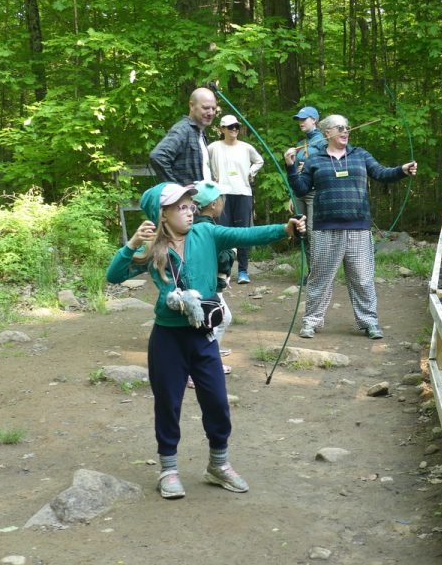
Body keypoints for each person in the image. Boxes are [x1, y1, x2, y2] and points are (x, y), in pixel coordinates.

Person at [106, 182, 304, 499]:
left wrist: (285, 228)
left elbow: (246, 235)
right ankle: (168, 470)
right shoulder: (149, 248)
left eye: (190, 205)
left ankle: (218, 465)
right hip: (168, 338)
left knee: (216, 401)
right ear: (162, 214)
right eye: (181, 207)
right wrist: (131, 244)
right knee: (168, 403)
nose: (190, 210)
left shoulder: (206, 234)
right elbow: (114, 276)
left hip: (204, 336)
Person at [284, 114, 417, 340]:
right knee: (320, 277)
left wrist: (402, 169)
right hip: (325, 228)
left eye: (347, 128)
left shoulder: (360, 155)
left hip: (359, 228)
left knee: (363, 278)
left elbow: (381, 173)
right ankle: (311, 321)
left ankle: (369, 322)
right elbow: (301, 189)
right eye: (340, 128)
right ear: (327, 133)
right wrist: (290, 167)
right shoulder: (316, 160)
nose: (345, 131)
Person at [207, 115, 264, 284]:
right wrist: (211, 179)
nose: (234, 130)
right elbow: (204, 163)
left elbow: (259, 160)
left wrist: (251, 172)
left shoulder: (246, 148)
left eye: (236, 127)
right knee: (222, 232)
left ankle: (243, 271)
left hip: (243, 193)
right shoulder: (214, 147)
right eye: (230, 127)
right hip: (221, 194)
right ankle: (223, 271)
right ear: (222, 129)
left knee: (243, 232)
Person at [190, 180, 235, 384]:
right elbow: (220, 259)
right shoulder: (206, 229)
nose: (223, 203)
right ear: (213, 204)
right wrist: (230, 251)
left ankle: (210, 361)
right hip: (204, 288)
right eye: (221, 199)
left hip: (205, 287)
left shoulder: (199, 225)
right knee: (214, 321)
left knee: (222, 318)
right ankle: (196, 368)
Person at [285, 106, 325, 283]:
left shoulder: (323, 142)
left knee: (313, 232)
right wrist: (291, 195)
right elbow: (296, 174)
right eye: (299, 120)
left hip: (315, 192)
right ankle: (311, 272)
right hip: (300, 193)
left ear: (314, 120)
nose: (301, 122)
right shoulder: (301, 145)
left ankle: (319, 274)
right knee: (302, 232)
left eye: (304, 119)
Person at [149, 87, 217, 184]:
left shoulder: (200, 133)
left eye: (213, 108)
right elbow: (158, 156)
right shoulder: (183, 130)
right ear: (192, 106)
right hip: (187, 198)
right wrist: (176, 190)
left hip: (199, 197)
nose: (211, 112)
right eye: (205, 108)